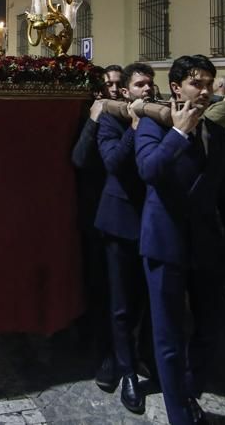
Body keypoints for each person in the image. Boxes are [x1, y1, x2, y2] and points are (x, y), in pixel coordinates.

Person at [133, 54, 225, 425]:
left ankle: (187, 390)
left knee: (216, 328)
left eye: (208, 84)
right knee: (168, 335)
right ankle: (179, 414)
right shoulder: (154, 125)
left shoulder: (218, 135)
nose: (204, 91)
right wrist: (178, 133)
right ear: (176, 87)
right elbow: (148, 170)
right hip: (165, 242)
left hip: (206, 244)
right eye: (196, 84)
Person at [95, 62, 154, 413]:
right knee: (120, 302)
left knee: (146, 298)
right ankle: (127, 371)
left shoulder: (159, 117)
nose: (146, 90)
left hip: (151, 221)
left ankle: (140, 355)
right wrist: (133, 127)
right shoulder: (110, 119)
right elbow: (114, 162)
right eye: (140, 85)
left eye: (150, 84)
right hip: (119, 220)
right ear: (128, 91)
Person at [71, 63, 123, 392]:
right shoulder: (89, 117)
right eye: (108, 85)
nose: (114, 90)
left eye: (119, 84)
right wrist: (93, 119)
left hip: (129, 217)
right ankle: (102, 349)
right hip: (95, 216)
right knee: (100, 286)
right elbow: (79, 159)